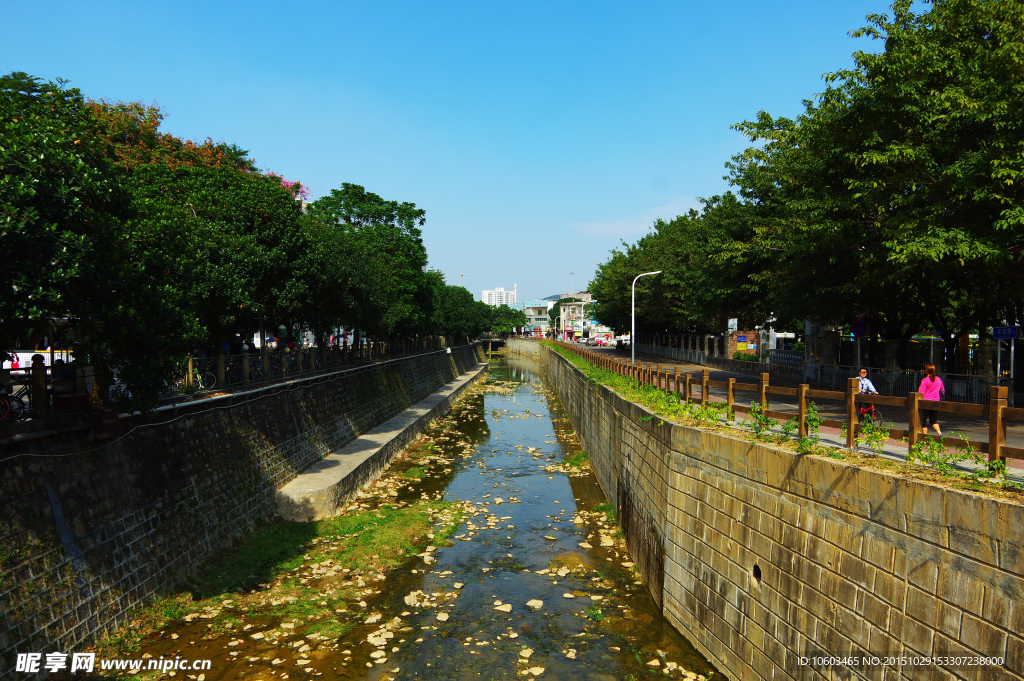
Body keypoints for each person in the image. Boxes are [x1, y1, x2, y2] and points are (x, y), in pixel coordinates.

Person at [918, 363, 944, 436]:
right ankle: (939, 432)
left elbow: (920, 392)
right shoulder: (939, 379)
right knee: (933, 420)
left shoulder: (925, 380)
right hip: (935, 402)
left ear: (926, 370)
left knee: (923, 421)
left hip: (925, 402)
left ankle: (925, 436)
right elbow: (942, 390)